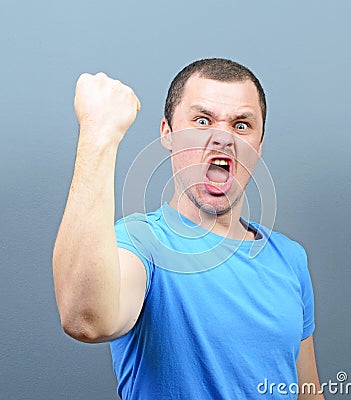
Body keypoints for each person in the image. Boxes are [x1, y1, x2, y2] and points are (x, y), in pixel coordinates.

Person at [53, 58, 325, 399]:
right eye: (202, 120)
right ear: (167, 133)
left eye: (241, 125)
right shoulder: (141, 243)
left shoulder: (289, 258)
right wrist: (98, 134)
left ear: (259, 144)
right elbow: (86, 319)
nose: (222, 138)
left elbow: (308, 392)